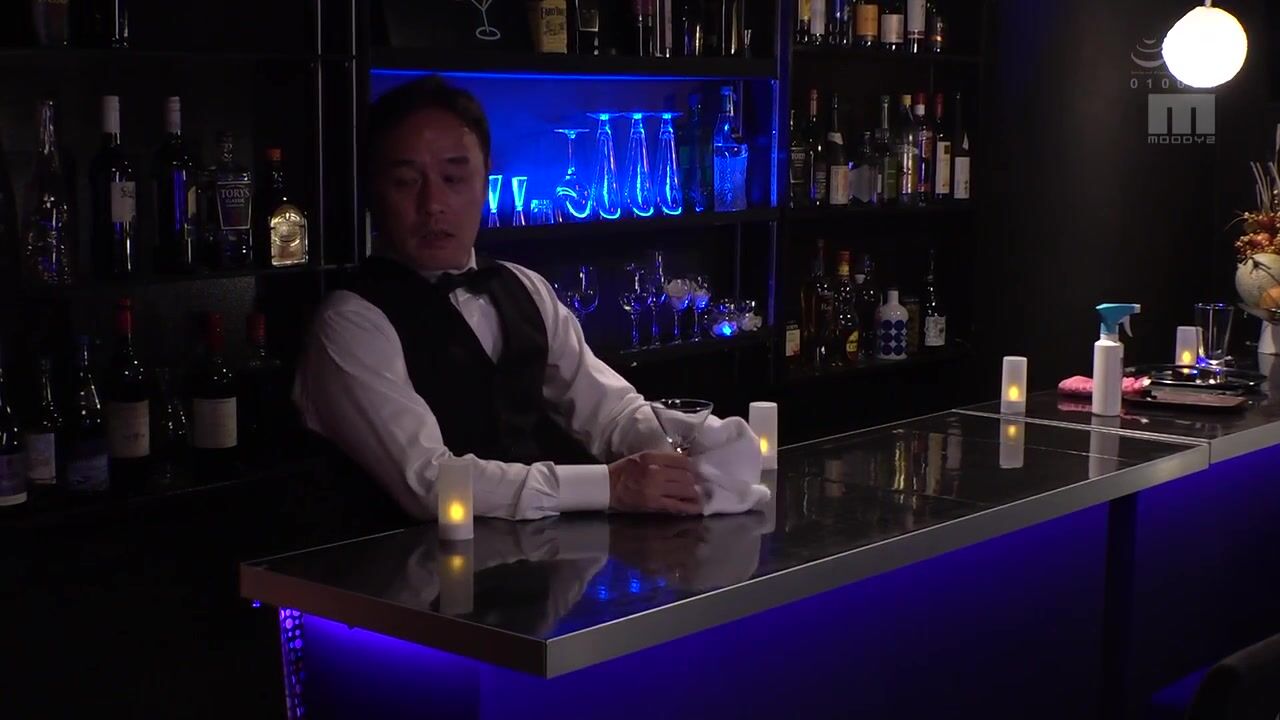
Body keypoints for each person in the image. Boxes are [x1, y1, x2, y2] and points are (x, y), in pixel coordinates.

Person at [294, 76, 702, 521]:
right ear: (374, 191)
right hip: (412, 561)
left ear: (486, 176)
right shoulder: (349, 323)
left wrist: (687, 455)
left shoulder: (524, 286)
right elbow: (431, 483)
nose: (433, 204)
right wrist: (609, 486)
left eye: (453, 177)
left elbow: (611, 414)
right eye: (406, 181)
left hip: (545, 555)